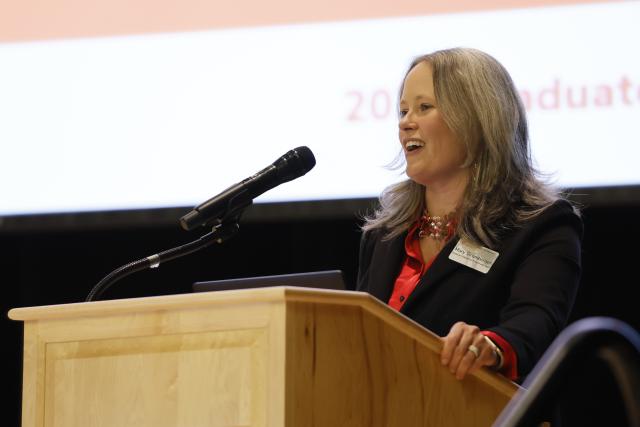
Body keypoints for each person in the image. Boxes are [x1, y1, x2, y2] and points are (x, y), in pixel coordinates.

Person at [356, 47, 582, 382]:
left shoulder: (541, 225)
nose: (405, 122)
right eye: (403, 111)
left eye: (424, 107)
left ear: (477, 117)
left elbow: (536, 321)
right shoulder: (385, 233)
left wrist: (489, 347)